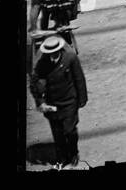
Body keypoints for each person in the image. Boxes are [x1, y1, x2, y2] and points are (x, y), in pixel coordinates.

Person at [32, 34, 88, 168]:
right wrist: (40, 102)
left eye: (54, 53)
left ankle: (73, 153)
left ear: (59, 50)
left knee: (70, 130)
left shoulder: (70, 58)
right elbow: (35, 84)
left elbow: (79, 78)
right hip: (52, 104)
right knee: (58, 134)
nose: (52, 56)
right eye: (49, 53)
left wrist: (82, 99)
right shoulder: (42, 64)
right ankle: (62, 158)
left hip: (69, 102)